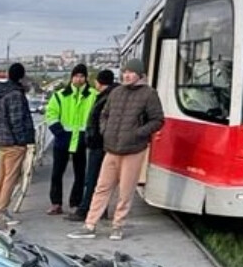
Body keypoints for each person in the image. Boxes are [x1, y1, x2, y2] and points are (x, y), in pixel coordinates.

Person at [70, 64, 163, 241]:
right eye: (125, 72)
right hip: (111, 148)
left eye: (131, 72)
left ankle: (118, 225)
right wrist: (105, 130)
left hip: (133, 149)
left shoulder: (149, 94)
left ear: (140, 75)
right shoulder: (116, 92)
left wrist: (138, 133)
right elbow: (104, 114)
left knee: (126, 190)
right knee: (101, 187)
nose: (127, 75)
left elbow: (157, 120)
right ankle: (90, 224)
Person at [0, 62, 36, 228]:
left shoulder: (0, 91)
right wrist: (22, 141)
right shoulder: (15, 94)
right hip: (13, 141)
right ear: (21, 77)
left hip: (0, 140)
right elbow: (17, 120)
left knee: (1, 175)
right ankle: (2, 211)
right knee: (10, 178)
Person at [45, 63, 93, 215]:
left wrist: (89, 135)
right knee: (57, 173)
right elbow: (51, 115)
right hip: (63, 139)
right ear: (72, 77)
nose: (79, 79)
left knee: (80, 174)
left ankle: (76, 202)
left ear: (86, 78)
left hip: (82, 139)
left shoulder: (93, 95)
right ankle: (56, 203)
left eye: (82, 76)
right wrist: (60, 133)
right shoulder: (60, 95)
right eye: (76, 76)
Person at [72, 67, 116, 221]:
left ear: (99, 82)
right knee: (102, 180)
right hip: (104, 144)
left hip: (99, 144)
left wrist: (94, 137)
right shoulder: (111, 95)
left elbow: (99, 120)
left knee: (93, 179)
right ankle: (101, 210)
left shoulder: (105, 98)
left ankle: (85, 210)